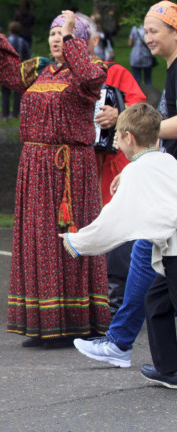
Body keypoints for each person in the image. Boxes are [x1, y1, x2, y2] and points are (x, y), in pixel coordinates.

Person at [0, 7, 110, 346]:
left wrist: (71, 41)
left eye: (64, 31)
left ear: (79, 39)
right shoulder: (38, 70)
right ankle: (42, 321)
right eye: (53, 31)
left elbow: (89, 80)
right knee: (38, 240)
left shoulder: (92, 70)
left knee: (71, 238)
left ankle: (80, 320)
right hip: (34, 166)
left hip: (71, 169)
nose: (56, 37)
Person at [73, 1, 177, 370]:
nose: (147, 37)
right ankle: (158, 362)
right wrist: (140, 161)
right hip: (164, 171)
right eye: (145, 30)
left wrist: (77, 242)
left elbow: (154, 117)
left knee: (149, 261)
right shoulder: (171, 68)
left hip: (168, 184)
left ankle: (121, 342)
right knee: (152, 275)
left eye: (154, 31)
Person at [61, 102, 177, 389]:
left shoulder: (139, 172)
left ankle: (170, 369)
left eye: (118, 135)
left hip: (175, 252)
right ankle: (169, 369)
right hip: (170, 250)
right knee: (156, 301)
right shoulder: (167, 161)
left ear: (129, 138)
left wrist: (78, 242)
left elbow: (113, 220)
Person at [2, 21, 31, 120]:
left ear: (9, 30)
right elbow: (28, 56)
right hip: (19, 69)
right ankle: (15, 114)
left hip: (6, 69)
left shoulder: (5, 41)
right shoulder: (23, 42)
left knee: (5, 93)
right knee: (17, 93)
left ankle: (5, 115)